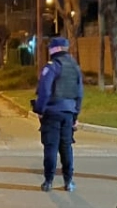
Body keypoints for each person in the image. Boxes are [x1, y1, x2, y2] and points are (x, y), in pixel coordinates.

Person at [32, 36, 83, 191]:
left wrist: (39, 110)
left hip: (52, 112)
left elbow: (45, 90)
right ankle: (68, 181)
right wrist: (75, 115)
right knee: (66, 147)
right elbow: (79, 93)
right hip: (69, 112)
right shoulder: (75, 67)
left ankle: (48, 181)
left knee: (51, 147)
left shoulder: (52, 66)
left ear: (55, 49)